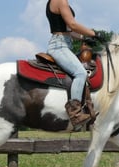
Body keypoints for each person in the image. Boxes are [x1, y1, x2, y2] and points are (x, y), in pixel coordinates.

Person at [46, 0, 104, 131]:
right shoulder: (60, 1)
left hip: (64, 44)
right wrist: (94, 33)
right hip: (59, 46)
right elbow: (72, 24)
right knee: (80, 73)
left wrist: (84, 38)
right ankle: (75, 114)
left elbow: (69, 31)